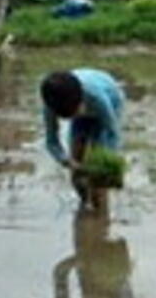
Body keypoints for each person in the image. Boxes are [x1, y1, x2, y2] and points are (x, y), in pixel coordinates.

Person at [40, 68, 126, 213]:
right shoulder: (51, 105)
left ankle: (101, 213)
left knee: (97, 172)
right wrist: (67, 161)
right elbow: (51, 142)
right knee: (77, 167)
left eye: (75, 111)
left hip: (111, 99)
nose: (74, 114)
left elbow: (112, 132)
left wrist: (108, 159)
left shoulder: (97, 97)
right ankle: (85, 204)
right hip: (78, 104)